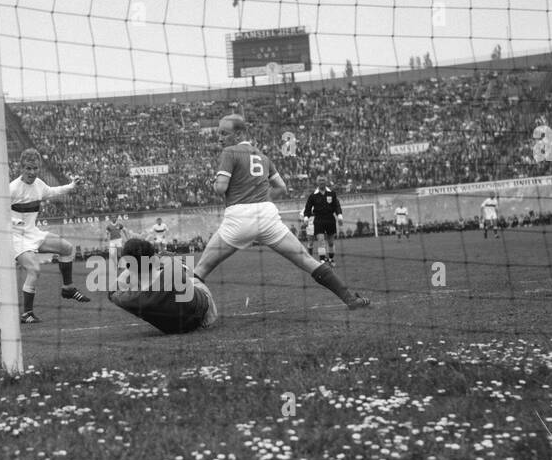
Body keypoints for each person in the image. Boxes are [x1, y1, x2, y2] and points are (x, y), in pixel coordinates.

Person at [192, 114, 369, 310]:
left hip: (239, 218)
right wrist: (261, 200)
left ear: (239, 134)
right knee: (307, 260)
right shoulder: (262, 156)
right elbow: (281, 187)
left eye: (224, 133)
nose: (220, 138)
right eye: (219, 133)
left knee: (201, 269)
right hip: (267, 217)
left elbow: (220, 189)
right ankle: (350, 299)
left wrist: (215, 183)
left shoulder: (230, 152)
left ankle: (182, 313)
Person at [9, 148, 91, 324]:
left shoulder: (39, 184)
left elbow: (53, 191)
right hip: (15, 238)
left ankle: (68, 288)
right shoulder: (12, 189)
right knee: (35, 270)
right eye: (28, 168)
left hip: (33, 233)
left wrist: (72, 186)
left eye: (35, 168)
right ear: (21, 168)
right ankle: (27, 314)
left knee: (67, 249)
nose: (32, 172)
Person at [108, 236, 217, 333]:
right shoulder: (173, 269)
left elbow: (112, 291)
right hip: (205, 315)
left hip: (173, 328)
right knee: (193, 279)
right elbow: (178, 262)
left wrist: (128, 270)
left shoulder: (131, 299)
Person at [302, 176, 343, 262]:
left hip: (330, 219)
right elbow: (308, 208)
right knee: (321, 241)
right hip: (319, 220)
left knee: (331, 242)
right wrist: (306, 218)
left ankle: (331, 259)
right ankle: (322, 261)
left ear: (326, 181)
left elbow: (337, 206)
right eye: (320, 180)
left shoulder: (332, 193)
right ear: (317, 182)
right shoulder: (313, 195)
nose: (322, 182)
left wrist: (339, 215)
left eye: (323, 180)